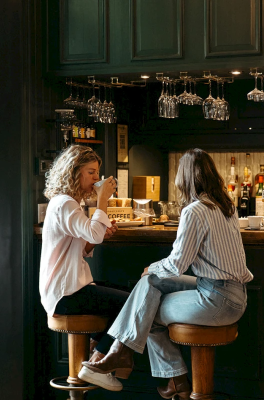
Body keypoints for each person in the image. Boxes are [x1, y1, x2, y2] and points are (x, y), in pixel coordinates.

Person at [81, 148, 254, 399]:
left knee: (147, 303)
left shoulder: (194, 210)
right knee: (148, 288)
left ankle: (135, 361)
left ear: (183, 178)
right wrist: (152, 273)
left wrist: (151, 268)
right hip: (232, 294)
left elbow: (177, 264)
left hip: (217, 300)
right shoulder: (224, 204)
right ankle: (135, 362)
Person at [40, 145, 130, 391]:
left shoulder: (67, 203)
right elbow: (93, 232)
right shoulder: (65, 204)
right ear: (73, 172)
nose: (96, 178)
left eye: (96, 173)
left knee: (130, 296)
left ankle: (95, 354)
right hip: (66, 293)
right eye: (91, 172)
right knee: (130, 303)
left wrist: (97, 237)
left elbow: (82, 244)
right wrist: (103, 200)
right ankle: (97, 363)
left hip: (70, 288)